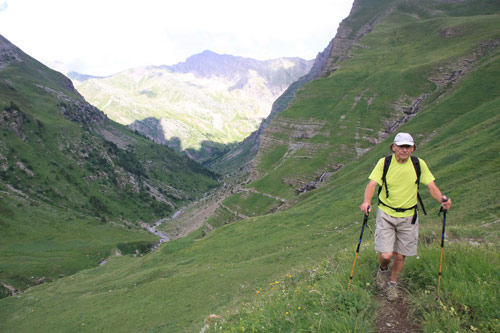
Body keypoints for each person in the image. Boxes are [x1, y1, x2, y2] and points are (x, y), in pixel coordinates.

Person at [360, 132, 452, 301]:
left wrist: (442, 199)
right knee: (386, 255)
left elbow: (431, 186)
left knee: (400, 255)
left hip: (409, 215)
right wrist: (367, 202)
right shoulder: (384, 163)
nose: (404, 150)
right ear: (393, 147)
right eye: (401, 146)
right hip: (386, 213)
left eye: (408, 147)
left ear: (413, 149)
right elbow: (372, 184)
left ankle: (393, 286)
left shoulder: (418, 164)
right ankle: (382, 270)